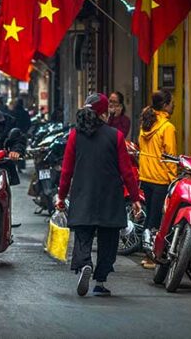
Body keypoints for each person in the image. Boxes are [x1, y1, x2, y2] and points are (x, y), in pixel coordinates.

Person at [56, 93, 141, 297]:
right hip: (110, 194)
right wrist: (135, 197)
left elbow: (67, 170)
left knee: (83, 233)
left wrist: (61, 195)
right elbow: (126, 170)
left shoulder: (75, 135)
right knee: (108, 238)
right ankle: (100, 281)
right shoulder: (116, 136)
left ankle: (85, 263)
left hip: (83, 192)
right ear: (104, 112)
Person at [137, 89, 177, 269]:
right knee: (157, 219)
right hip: (160, 178)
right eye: (172, 102)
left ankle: (147, 254)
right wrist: (174, 179)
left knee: (150, 218)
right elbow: (170, 157)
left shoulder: (146, 122)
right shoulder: (167, 128)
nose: (173, 105)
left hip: (146, 176)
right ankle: (152, 256)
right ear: (166, 104)